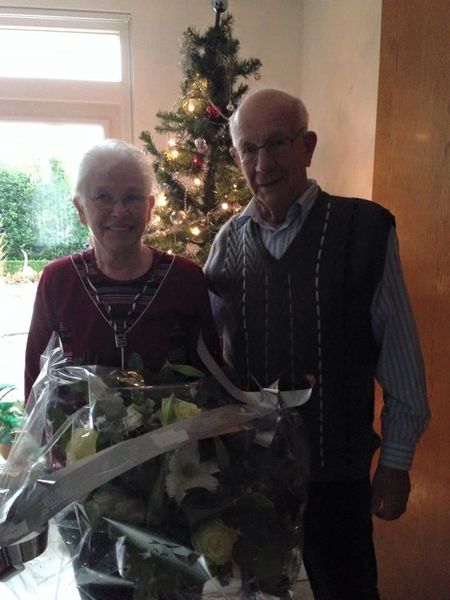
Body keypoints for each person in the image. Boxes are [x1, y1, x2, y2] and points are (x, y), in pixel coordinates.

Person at [204, 89, 430, 600]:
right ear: (237, 157)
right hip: (254, 476)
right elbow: (211, 356)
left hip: (338, 476)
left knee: (347, 590)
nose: (263, 164)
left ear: (307, 146)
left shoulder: (364, 230)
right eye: (248, 149)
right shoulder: (226, 243)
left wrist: (396, 462)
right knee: (260, 590)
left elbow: (401, 356)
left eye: (276, 143)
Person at [21, 139, 221, 598]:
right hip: (87, 478)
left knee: (175, 585)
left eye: (132, 197)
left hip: (170, 473)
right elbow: (37, 377)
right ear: (80, 208)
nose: (119, 211)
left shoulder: (186, 278)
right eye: (103, 197)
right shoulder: (58, 280)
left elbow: (210, 370)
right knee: (100, 587)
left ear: (150, 207)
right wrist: (38, 459)